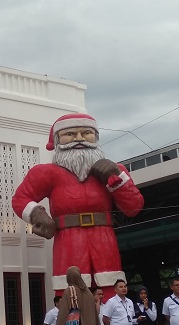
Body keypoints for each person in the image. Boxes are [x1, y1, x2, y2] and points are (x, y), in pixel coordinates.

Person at [11, 113, 144, 302]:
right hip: (68, 239)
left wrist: (116, 181)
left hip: (104, 238)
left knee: (110, 285)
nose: (80, 138)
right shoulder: (46, 173)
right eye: (70, 134)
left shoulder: (115, 170)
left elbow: (133, 207)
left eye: (87, 132)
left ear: (96, 137)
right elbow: (20, 198)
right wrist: (36, 213)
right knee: (70, 290)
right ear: (57, 140)